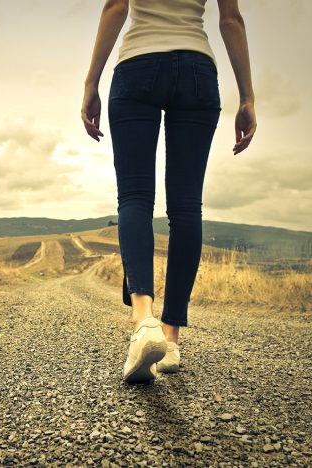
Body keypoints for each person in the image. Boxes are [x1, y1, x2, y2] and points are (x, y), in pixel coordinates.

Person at [81, 0, 257, 383]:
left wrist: (91, 83)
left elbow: (115, 7)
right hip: (197, 68)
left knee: (134, 198)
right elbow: (231, 19)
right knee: (186, 208)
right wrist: (247, 97)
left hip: (137, 64)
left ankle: (144, 320)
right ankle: (171, 339)